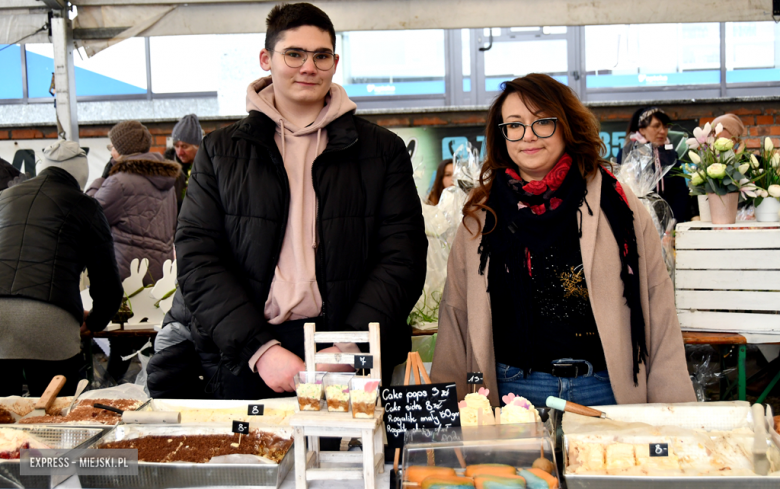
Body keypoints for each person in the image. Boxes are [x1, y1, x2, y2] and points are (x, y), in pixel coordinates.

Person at [174, 2, 426, 400]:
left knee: (355, 458)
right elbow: (197, 258)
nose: (309, 67)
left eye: (321, 56)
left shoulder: (382, 150)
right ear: (266, 59)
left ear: (334, 62)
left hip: (350, 350)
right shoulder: (220, 152)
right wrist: (260, 350)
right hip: (250, 353)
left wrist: (347, 347)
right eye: (294, 54)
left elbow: (403, 256)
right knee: (251, 459)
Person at [430, 74, 695, 407]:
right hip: (511, 394)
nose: (528, 136)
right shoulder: (483, 217)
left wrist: (673, 412)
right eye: (514, 125)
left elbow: (657, 305)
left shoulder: (615, 202)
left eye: (542, 121)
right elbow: (455, 318)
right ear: (502, 135)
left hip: (606, 388)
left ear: (566, 124)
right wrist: (445, 419)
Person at [0, 141, 123, 396]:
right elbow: (107, 282)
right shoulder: (86, 206)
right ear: (81, 174)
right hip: (49, 320)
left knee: (4, 417)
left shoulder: (4, 197)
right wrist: (96, 321)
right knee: (56, 418)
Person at [86, 120, 181, 285]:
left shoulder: (118, 182)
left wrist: (100, 180)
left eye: (112, 147)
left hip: (128, 275)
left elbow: (89, 217)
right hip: (162, 274)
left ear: (123, 149)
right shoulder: (167, 181)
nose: (111, 153)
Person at [618, 107, 691, 223]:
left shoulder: (671, 155)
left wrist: (674, 222)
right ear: (642, 130)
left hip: (669, 221)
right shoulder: (627, 153)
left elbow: (680, 192)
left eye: (665, 126)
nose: (662, 131)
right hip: (638, 220)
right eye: (656, 126)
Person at [164, 114, 203, 212]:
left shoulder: (208, 169)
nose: (179, 152)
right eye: (176, 146)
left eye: (184, 146)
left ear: (197, 146)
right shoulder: (167, 172)